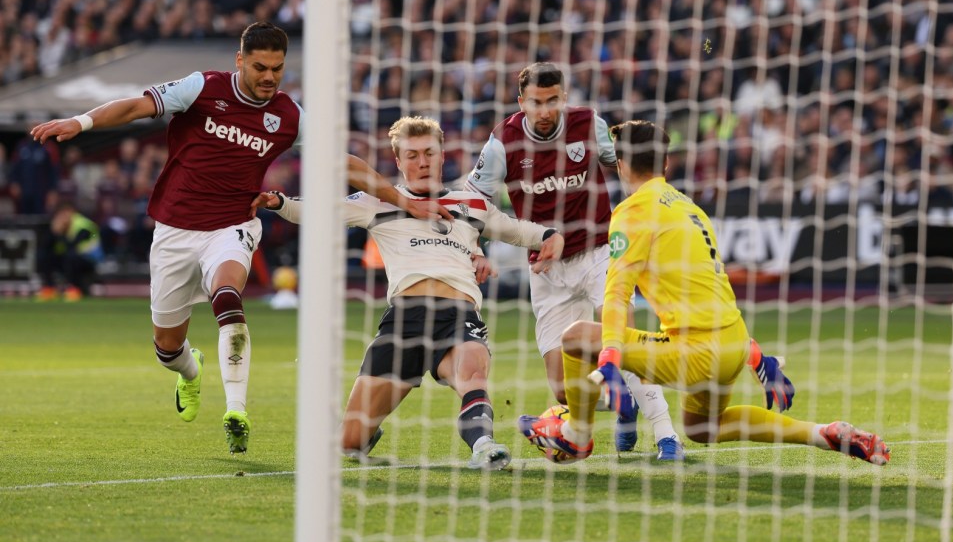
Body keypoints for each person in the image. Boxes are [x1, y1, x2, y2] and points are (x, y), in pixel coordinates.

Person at [518, 120, 890, 466]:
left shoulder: (633, 212)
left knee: (576, 337)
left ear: (620, 164)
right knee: (701, 427)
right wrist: (756, 355)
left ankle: (576, 436)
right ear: (665, 162)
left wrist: (611, 356)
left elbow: (616, 294)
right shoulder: (689, 208)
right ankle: (823, 433)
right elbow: (712, 289)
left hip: (697, 353)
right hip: (732, 345)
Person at [31, 21, 304, 455]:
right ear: (240, 61)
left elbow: (333, 154)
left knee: (228, 295)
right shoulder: (202, 88)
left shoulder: (289, 115)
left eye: (277, 68)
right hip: (175, 230)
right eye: (260, 67)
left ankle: (237, 410)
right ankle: (190, 372)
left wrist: (383, 189)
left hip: (232, 224)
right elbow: (136, 107)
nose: (269, 76)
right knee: (167, 346)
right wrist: (81, 122)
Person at [255, 115, 565, 470]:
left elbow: (519, 230)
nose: (422, 162)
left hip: (457, 313)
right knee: (348, 443)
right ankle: (367, 432)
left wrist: (550, 236)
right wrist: (278, 203)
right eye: (412, 155)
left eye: (429, 153)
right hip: (404, 320)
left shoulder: (473, 204)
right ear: (399, 162)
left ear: (442, 155)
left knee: (472, 373)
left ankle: (484, 445)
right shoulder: (378, 201)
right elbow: (317, 210)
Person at [463, 61, 683, 459]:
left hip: (601, 253)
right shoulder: (502, 143)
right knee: (564, 388)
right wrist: (475, 249)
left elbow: (629, 169)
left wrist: (646, 212)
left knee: (625, 343)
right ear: (521, 102)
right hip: (546, 271)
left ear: (564, 98)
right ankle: (622, 404)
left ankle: (667, 436)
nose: (545, 111)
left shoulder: (589, 125)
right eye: (536, 102)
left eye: (552, 101)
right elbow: (473, 202)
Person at [35, 201, 104, 302]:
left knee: (71, 256)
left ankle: (74, 288)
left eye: (65, 214)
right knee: (43, 256)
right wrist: (53, 232)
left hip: (89, 259)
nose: (63, 218)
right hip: (69, 257)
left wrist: (60, 233)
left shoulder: (83, 226)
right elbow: (46, 246)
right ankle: (49, 288)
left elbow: (72, 246)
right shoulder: (58, 225)